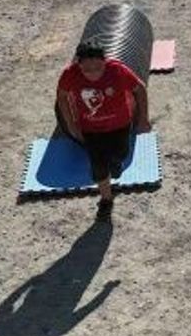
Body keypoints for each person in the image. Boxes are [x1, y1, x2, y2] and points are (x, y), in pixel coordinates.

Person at [55, 40, 151, 222]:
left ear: (104, 61)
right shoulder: (70, 74)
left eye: (98, 68)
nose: (93, 74)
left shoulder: (117, 70)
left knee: (120, 155)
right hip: (90, 129)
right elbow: (61, 96)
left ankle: (115, 163)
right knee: (98, 165)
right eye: (87, 70)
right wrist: (70, 124)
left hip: (119, 125)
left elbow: (140, 89)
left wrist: (143, 118)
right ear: (78, 64)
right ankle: (106, 200)